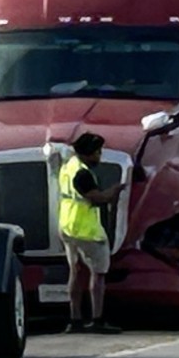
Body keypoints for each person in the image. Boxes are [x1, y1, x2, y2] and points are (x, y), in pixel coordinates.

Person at [58, 132, 121, 332]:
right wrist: (116, 190)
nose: (99, 156)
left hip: (68, 225)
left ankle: (75, 319)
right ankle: (98, 319)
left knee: (75, 271)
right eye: (97, 152)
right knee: (99, 273)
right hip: (87, 230)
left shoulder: (68, 167)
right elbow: (98, 198)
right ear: (87, 154)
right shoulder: (83, 174)